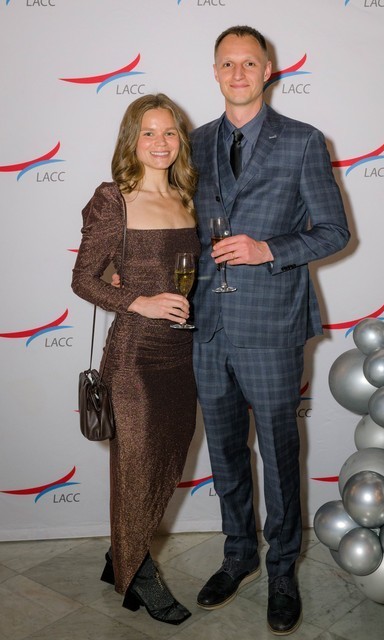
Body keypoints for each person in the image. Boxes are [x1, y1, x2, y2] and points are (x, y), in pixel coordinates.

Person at [190, 26, 350, 635]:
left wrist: (268, 250)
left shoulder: (304, 141)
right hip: (207, 325)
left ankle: (282, 569)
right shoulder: (193, 143)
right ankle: (239, 556)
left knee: (280, 454)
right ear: (215, 71)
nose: (238, 73)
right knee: (225, 451)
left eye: (249, 63)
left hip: (272, 324)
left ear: (268, 69)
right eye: (227, 63)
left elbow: (334, 231)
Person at [71, 93, 199, 626]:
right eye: (148, 132)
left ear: (180, 140)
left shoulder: (189, 197)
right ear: (132, 139)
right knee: (136, 469)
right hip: (135, 358)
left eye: (169, 132)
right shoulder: (114, 200)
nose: (160, 142)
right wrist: (139, 301)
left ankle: (118, 557)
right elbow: (83, 279)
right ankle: (139, 575)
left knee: (165, 463)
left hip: (183, 353)